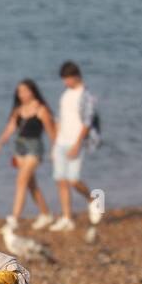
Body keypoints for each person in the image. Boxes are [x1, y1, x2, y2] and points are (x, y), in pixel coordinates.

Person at [0, 79, 57, 229]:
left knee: (21, 180)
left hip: (34, 149)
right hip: (19, 148)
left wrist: (55, 150)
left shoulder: (41, 109)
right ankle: (46, 214)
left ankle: (14, 219)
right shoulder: (18, 110)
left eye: (25, 91)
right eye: (19, 92)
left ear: (32, 91)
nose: (22, 94)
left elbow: (51, 131)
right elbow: (10, 128)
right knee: (30, 184)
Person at [49, 60, 102, 231]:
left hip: (75, 142)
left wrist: (78, 144)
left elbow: (87, 122)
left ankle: (92, 199)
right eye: (64, 79)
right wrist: (54, 144)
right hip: (61, 142)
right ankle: (67, 218)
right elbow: (59, 120)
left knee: (73, 180)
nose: (66, 82)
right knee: (61, 180)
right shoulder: (65, 95)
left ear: (76, 76)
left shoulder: (86, 96)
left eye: (68, 78)